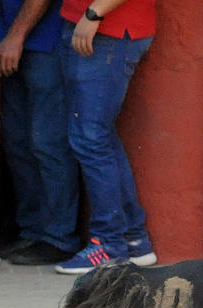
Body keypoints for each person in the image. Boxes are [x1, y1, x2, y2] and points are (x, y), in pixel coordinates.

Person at [53, 0, 157, 274]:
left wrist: (93, 13)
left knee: (91, 139)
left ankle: (110, 245)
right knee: (99, 137)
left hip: (106, 30)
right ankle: (134, 240)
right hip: (97, 28)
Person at [0, 0, 81, 265]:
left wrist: (15, 37)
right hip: (7, 37)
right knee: (17, 142)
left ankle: (60, 238)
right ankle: (32, 230)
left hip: (45, 42)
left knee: (48, 143)